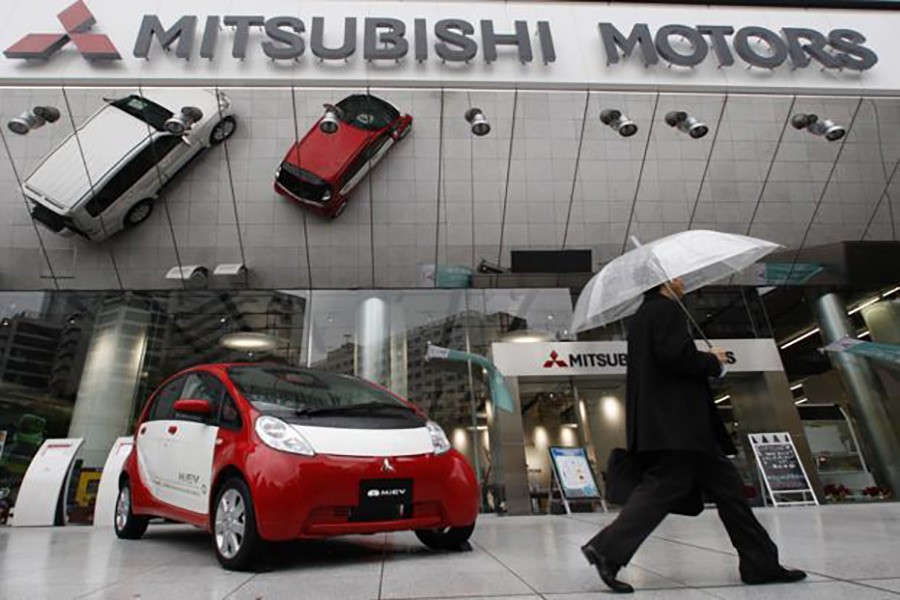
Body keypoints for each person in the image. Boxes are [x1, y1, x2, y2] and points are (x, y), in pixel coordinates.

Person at [581, 278, 807, 594]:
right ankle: (607, 549)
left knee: (728, 490)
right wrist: (712, 360)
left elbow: (666, 359)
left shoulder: (643, 316)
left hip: (670, 425)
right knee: (667, 487)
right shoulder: (667, 310)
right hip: (680, 424)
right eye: (678, 277)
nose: (683, 282)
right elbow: (675, 356)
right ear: (664, 282)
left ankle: (760, 563)